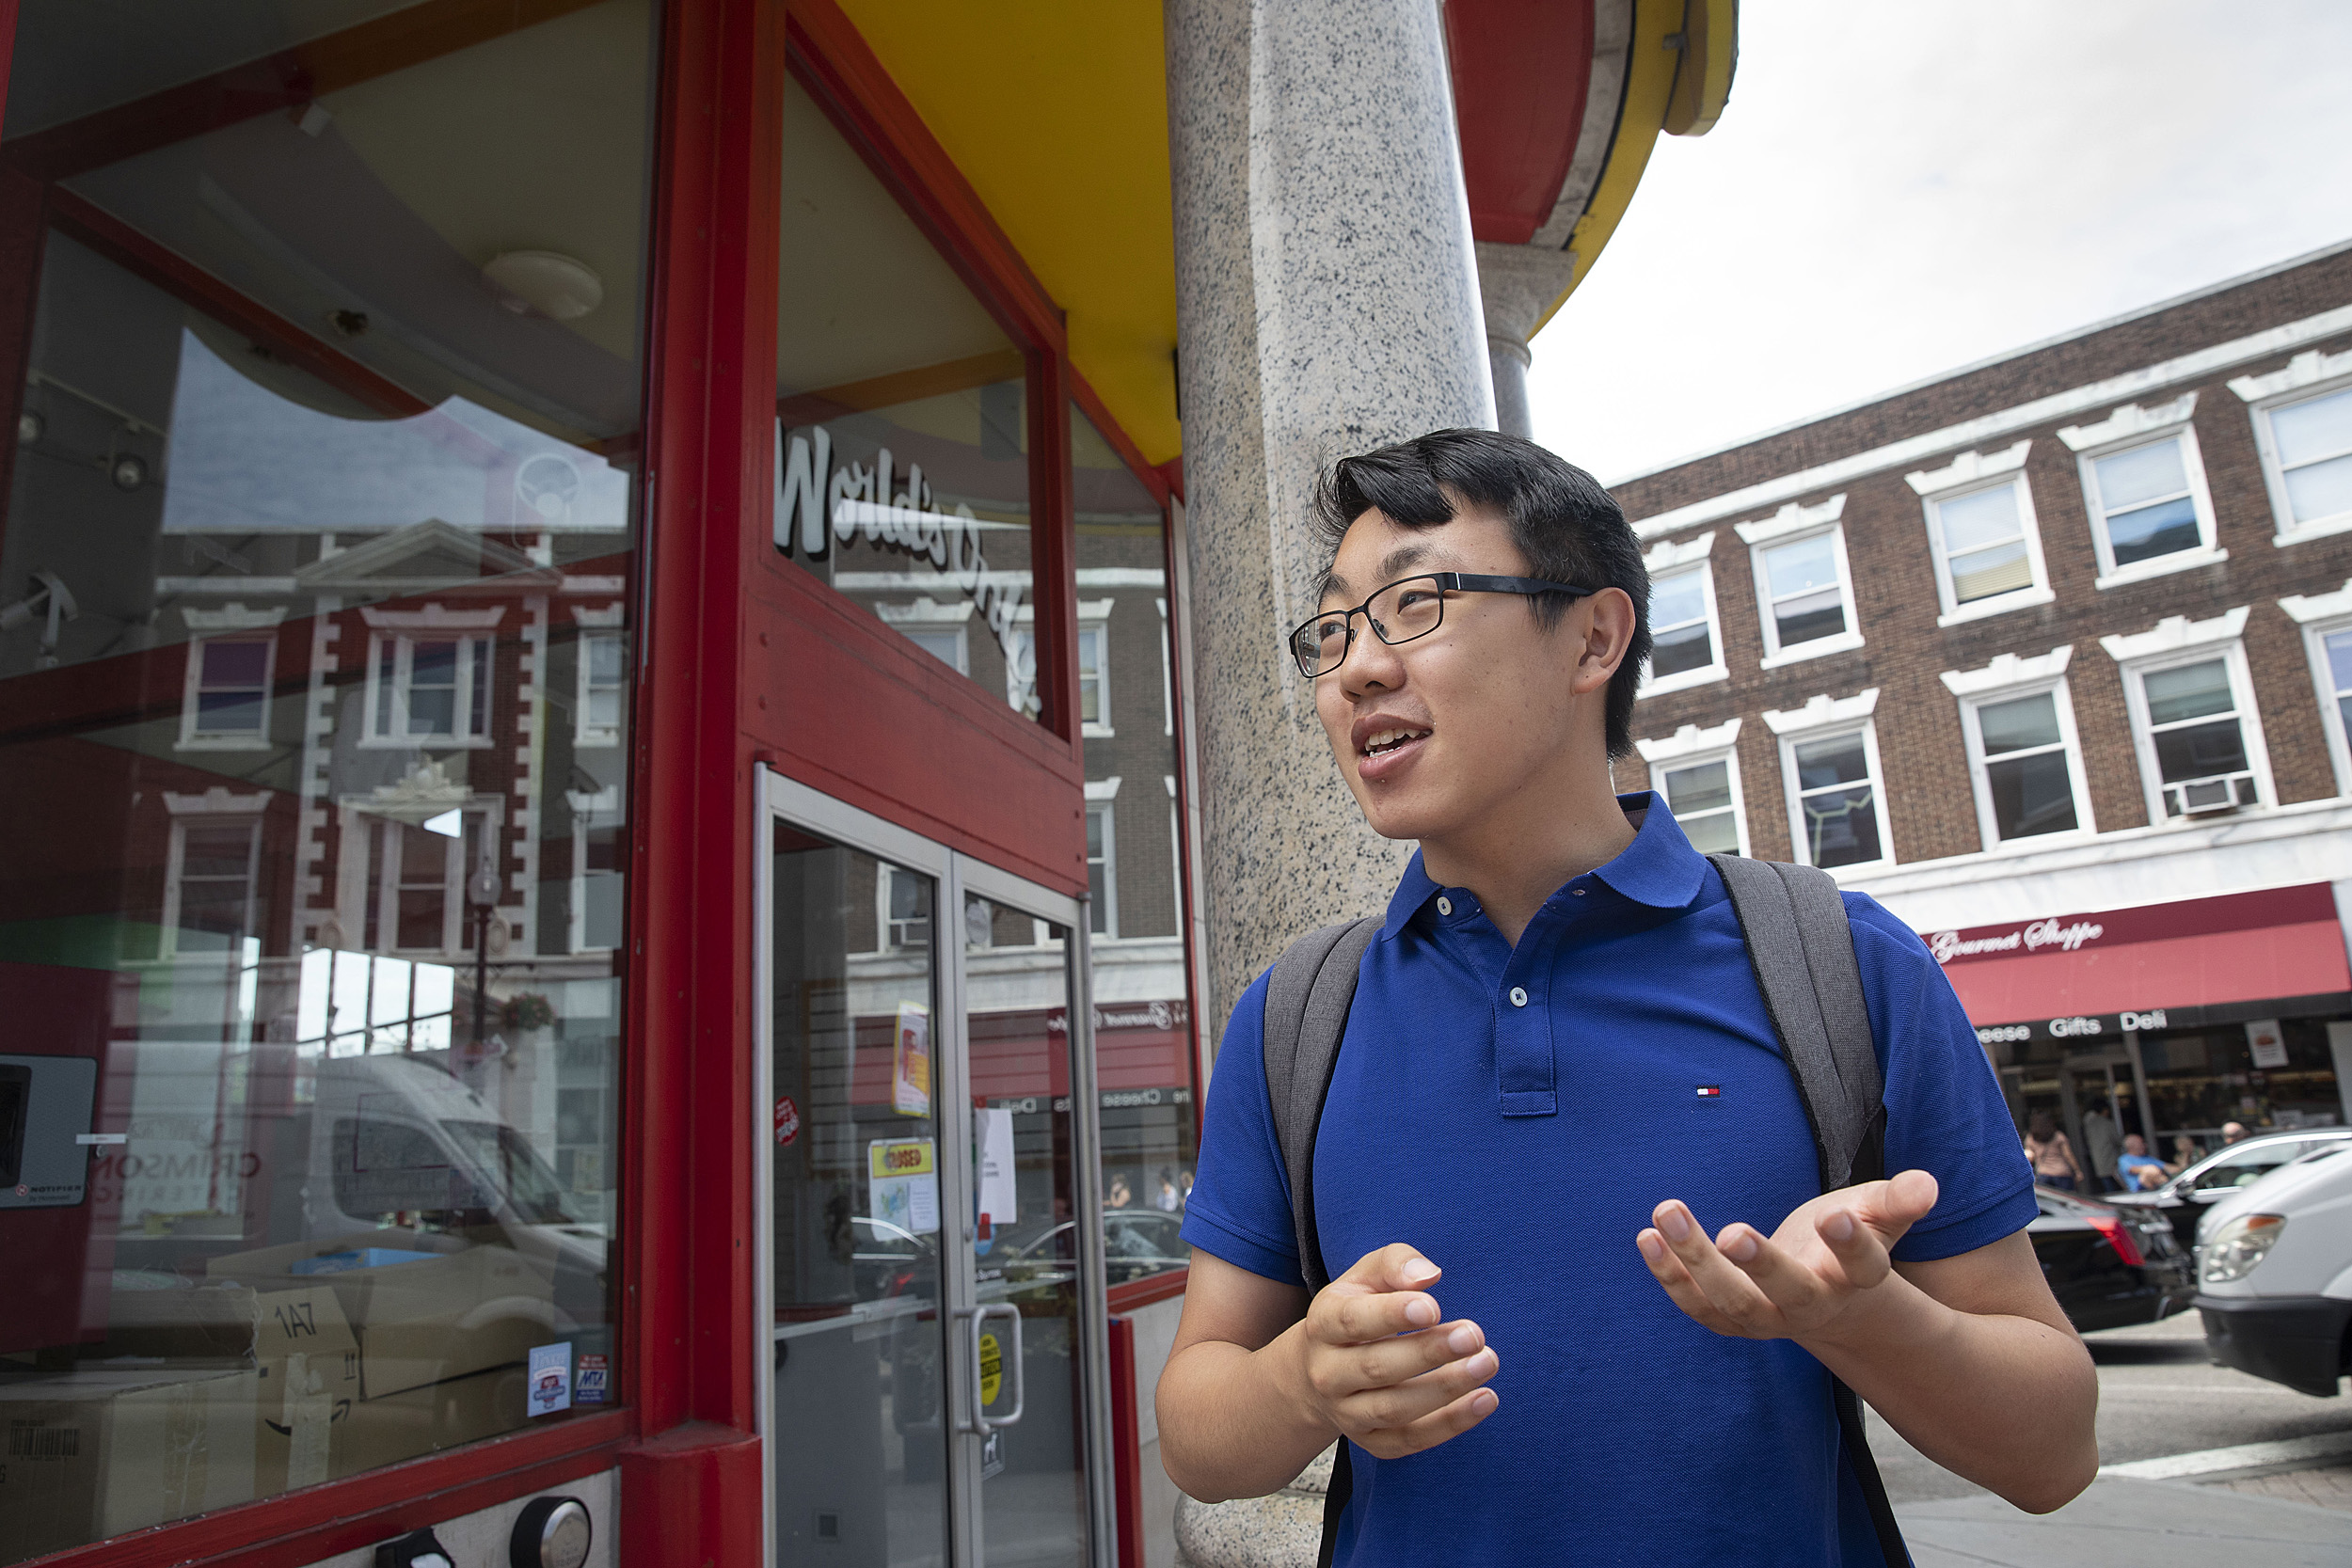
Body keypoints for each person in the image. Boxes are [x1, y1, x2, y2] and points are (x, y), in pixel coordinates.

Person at [1155, 431, 2097, 1565]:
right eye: (1334, 627)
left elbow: (2053, 1454)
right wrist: (1302, 1379)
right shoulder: (1297, 1012)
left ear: (1594, 636)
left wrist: (1858, 1316)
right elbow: (1199, 1435)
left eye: (1412, 604)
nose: (1355, 667)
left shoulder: (1841, 963)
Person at [2024, 1112, 2084, 1192]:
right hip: (2062, 1173)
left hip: (2043, 1174)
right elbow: (2068, 1155)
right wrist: (2077, 1171)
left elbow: (2029, 1156)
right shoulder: (2058, 1136)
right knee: (2066, 1200)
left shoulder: (2031, 1138)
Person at [2080, 1102, 2122, 1194]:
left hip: (2098, 1162)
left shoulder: (2089, 1125)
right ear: (2105, 1110)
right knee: (2118, 1189)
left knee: (2108, 1189)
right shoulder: (2107, 1123)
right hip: (2112, 1162)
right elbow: (2118, 1140)